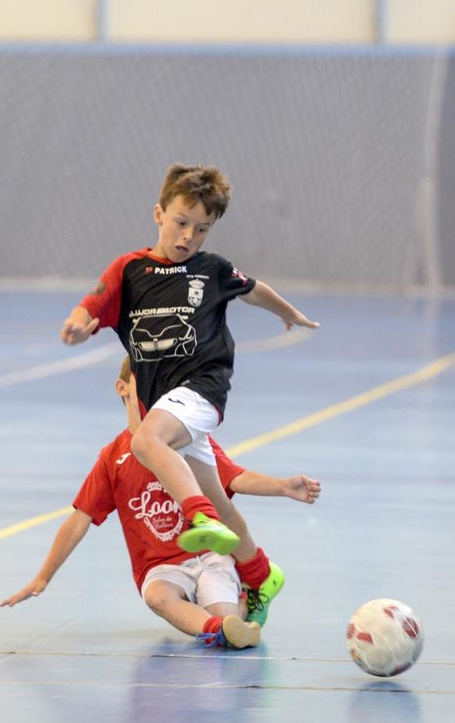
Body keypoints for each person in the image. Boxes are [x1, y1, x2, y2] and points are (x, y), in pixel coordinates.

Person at [59, 164, 319, 619]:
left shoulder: (211, 270)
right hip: (165, 402)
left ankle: (198, 517)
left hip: (202, 388)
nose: (188, 237)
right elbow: (94, 301)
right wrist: (80, 324)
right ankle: (260, 573)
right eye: (181, 223)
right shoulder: (130, 270)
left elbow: (255, 290)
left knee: (146, 442)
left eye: (201, 230)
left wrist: (290, 312)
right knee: (220, 498)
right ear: (159, 214)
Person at [0, 357, 321, 649]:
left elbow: (233, 478)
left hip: (208, 555)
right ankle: (222, 630)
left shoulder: (187, 439)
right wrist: (43, 577)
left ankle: (238, 610)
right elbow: (78, 521)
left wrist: (282, 486)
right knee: (158, 597)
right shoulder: (113, 459)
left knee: (223, 611)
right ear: (122, 388)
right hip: (160, 566)